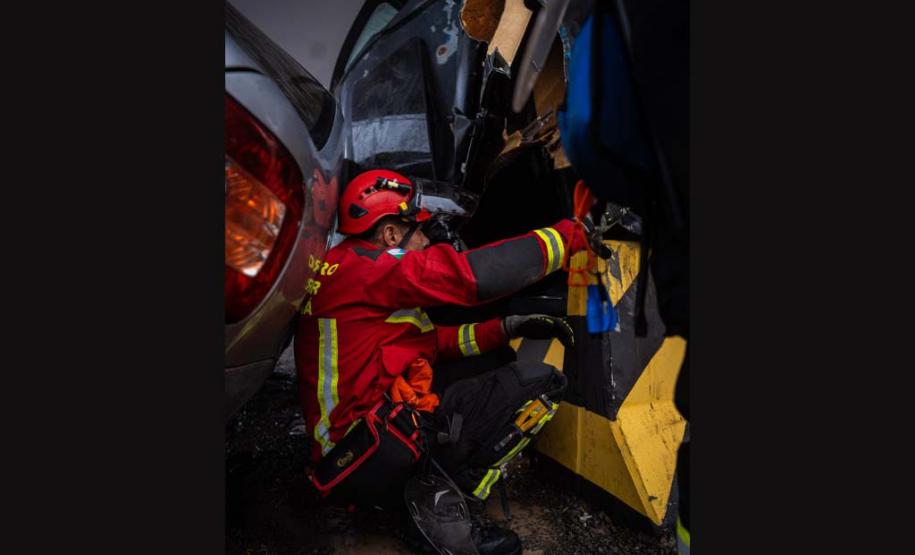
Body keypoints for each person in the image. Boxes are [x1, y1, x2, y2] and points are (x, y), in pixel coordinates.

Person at [294, 169, 587, 555]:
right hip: (366, 458)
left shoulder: (347, 266)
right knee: (543, 385)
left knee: (494, 360)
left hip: (352, 452)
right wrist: (570, 237)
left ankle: (421, 491)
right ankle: (447, 508)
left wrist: (504, 328)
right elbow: (468, 276)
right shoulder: (374, 269)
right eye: (420, 231)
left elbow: (430, 344)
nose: (428, 240)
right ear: (391, 235)